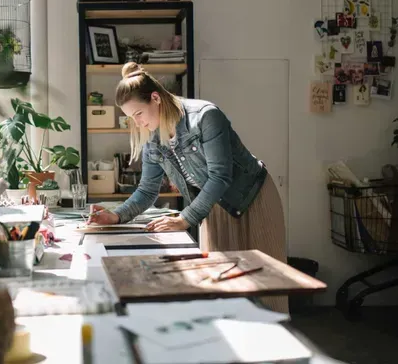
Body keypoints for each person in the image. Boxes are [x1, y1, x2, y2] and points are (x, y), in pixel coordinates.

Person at [87, 62, 288, 313]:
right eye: (131, 118)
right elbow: (148, 190)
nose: (137, 123)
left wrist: (185, 218)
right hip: (213, 208)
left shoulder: (205, 116)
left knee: (268, 290)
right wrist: (116, 215)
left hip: (254, 199)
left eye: (138, 114)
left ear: (155, 98)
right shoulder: (153, 140)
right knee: (222, 292)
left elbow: (220, 177)